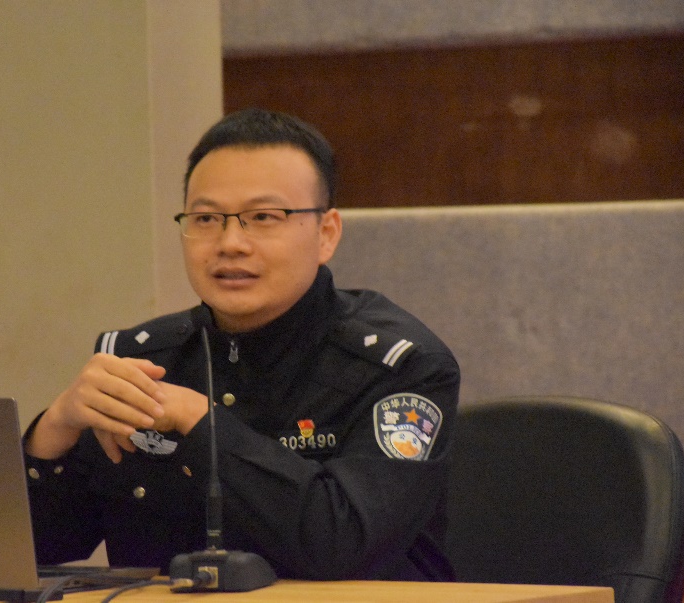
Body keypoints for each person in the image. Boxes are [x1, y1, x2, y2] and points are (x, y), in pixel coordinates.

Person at [23, 108, 460, 581]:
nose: (230, 243)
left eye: (263, 217)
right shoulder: (143, 360)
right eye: (206, 218)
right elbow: (48, 546)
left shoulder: (400, 366)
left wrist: (199, 421)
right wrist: (53, 432)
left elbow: (341, 543)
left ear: (326, 234)